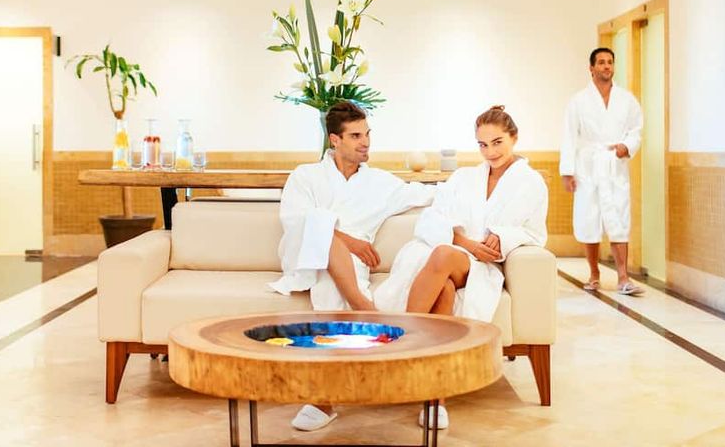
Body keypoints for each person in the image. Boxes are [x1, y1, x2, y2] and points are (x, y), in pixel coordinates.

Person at [374, 105, 548, 429]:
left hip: (482, 265)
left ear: (514, 137)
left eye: (497, 142)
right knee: (444, 287)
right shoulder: (465, 177)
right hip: (454, 254)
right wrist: (465, 242)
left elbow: (535, 232)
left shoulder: (531, 183)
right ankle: (435, 397)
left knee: (442, 254)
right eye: (483, 144)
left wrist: (503, 237)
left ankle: (399, 347)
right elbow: (436, 216)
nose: (490, 152)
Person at [268, 100, 434, 431]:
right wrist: (349, 241)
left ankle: (324, 398)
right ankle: (368, 312)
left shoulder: (380, 183)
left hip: (352, 267)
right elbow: (297, 221)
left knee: (332, 280)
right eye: (356, 136)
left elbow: (426, 195)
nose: (366, 142)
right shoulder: (306, 176)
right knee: (323, 235)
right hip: (309, 256)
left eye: (368, 134)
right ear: (335, 139)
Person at [560, 47, 644, 295]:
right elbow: (569, 136)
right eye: (601, 62)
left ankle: (623, 278)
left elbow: (636, 130)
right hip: (588, 167)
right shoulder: (578, 101)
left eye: (610, 62)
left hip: (614, 166)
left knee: (619, 219)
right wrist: (567, 171)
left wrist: (627, 146)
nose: (607, 66)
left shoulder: (627, 100)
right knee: (590, 220)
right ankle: (594, 274)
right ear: (591, 68)